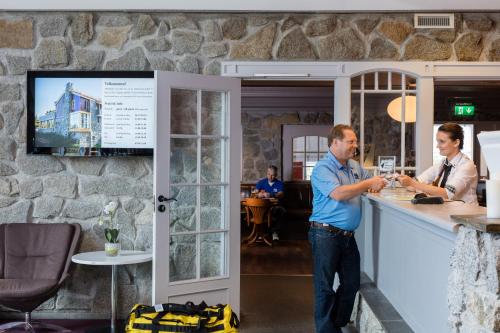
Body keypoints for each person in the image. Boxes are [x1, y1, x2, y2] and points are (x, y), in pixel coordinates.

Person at [309, 124, 386, 333]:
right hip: (325, 234)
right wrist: (367, 183)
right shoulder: (323, 168)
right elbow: (339, 193)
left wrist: (377, 182)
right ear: (335, 142)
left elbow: (367, 182)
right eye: (351, 141)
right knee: (325, 287)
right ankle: (326, 330)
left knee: (351, 284)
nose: (355, 145)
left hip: (347, 236)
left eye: (355, 141)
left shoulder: (354, 166)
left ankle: (336, 324)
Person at [397, 123, 478, 204]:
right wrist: (409, 182)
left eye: (442, 142)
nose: (437, 146)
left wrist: (412, 183)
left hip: (465, 214)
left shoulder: (467, 166)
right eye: (437, 141)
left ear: (456, 143)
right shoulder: (442, 163)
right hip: (446, 213)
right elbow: (414, 184)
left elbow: (447, 194)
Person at [255, 165, 285, 241]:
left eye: (273, 175)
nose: (271, 177)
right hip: (263, 206)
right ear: (267, 174)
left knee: (281, 210)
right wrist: (259, 194)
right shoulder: (261, 182)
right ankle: (261, 233)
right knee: (258, 211)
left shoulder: (279, 183)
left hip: (275, 206)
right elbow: (255, 193)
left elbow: (281, 194)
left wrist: (271, 194)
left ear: (276, 175)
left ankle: (275, 232)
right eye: (269, 175)